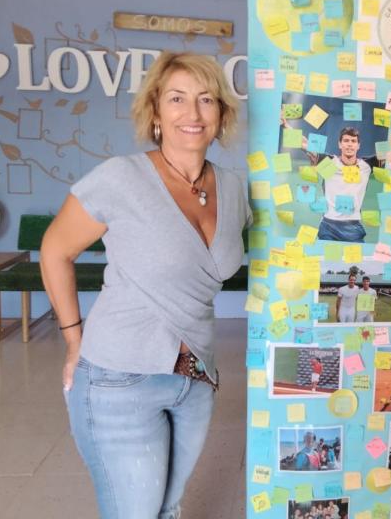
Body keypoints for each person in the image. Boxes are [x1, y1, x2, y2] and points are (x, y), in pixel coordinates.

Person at [40, 51, 251, 519]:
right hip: (119, 376)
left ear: (221, 113)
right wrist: (73, 341)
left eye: (206, 99)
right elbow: (55, 250)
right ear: (155, 111)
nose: (192, 113)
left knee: (168, 509)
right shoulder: (121, 177)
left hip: (196, 377)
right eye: (177, 99)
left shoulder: (233, 187)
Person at [302, 127, 381, 242]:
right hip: (329, 227)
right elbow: (305, 145)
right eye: (346, 140)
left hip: (353, 228)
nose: (349, 144)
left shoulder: (366, 166)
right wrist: (286, 125)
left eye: (353, 141)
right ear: (340, 144)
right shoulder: (330, 163)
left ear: (358, 145)